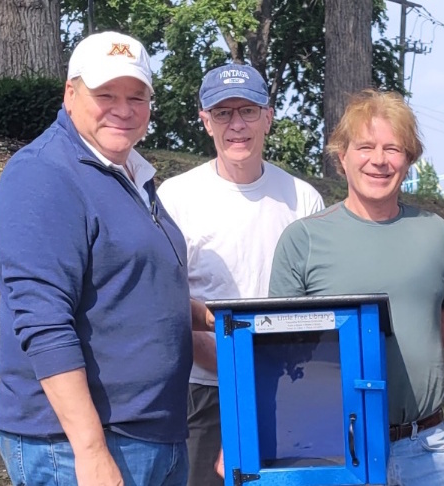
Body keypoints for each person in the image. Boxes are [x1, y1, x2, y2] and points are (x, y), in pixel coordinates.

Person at [0, 31, 209, 485]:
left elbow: (120, 287)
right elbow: (44, 320)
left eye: (137, 96)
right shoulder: (44, 175)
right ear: (70, 94)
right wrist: (89, 450)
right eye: (105, 94)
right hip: (76, 446)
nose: (123, 109)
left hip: (153, 435)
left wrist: (202, 316)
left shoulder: (131, 174)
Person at [268, 89, 444, 486]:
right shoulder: (304, 240)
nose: (379, 160)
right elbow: (276, 357)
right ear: (342, 158)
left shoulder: (434, 233)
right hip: (336, 449)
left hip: (426, 448)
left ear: (409, 159)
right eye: (365, 147)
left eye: (393, 148)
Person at [157, 62, 324, 486]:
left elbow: (317, 306)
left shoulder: (302, 199)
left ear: (268, 116)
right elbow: (167, 305)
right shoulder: (175, 198)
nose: (237, 125)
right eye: (223, 113)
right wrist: (237, 374)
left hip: (287, 390)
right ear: (204, 120)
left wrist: (265, 377)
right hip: (203, 393)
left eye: (248, 111)